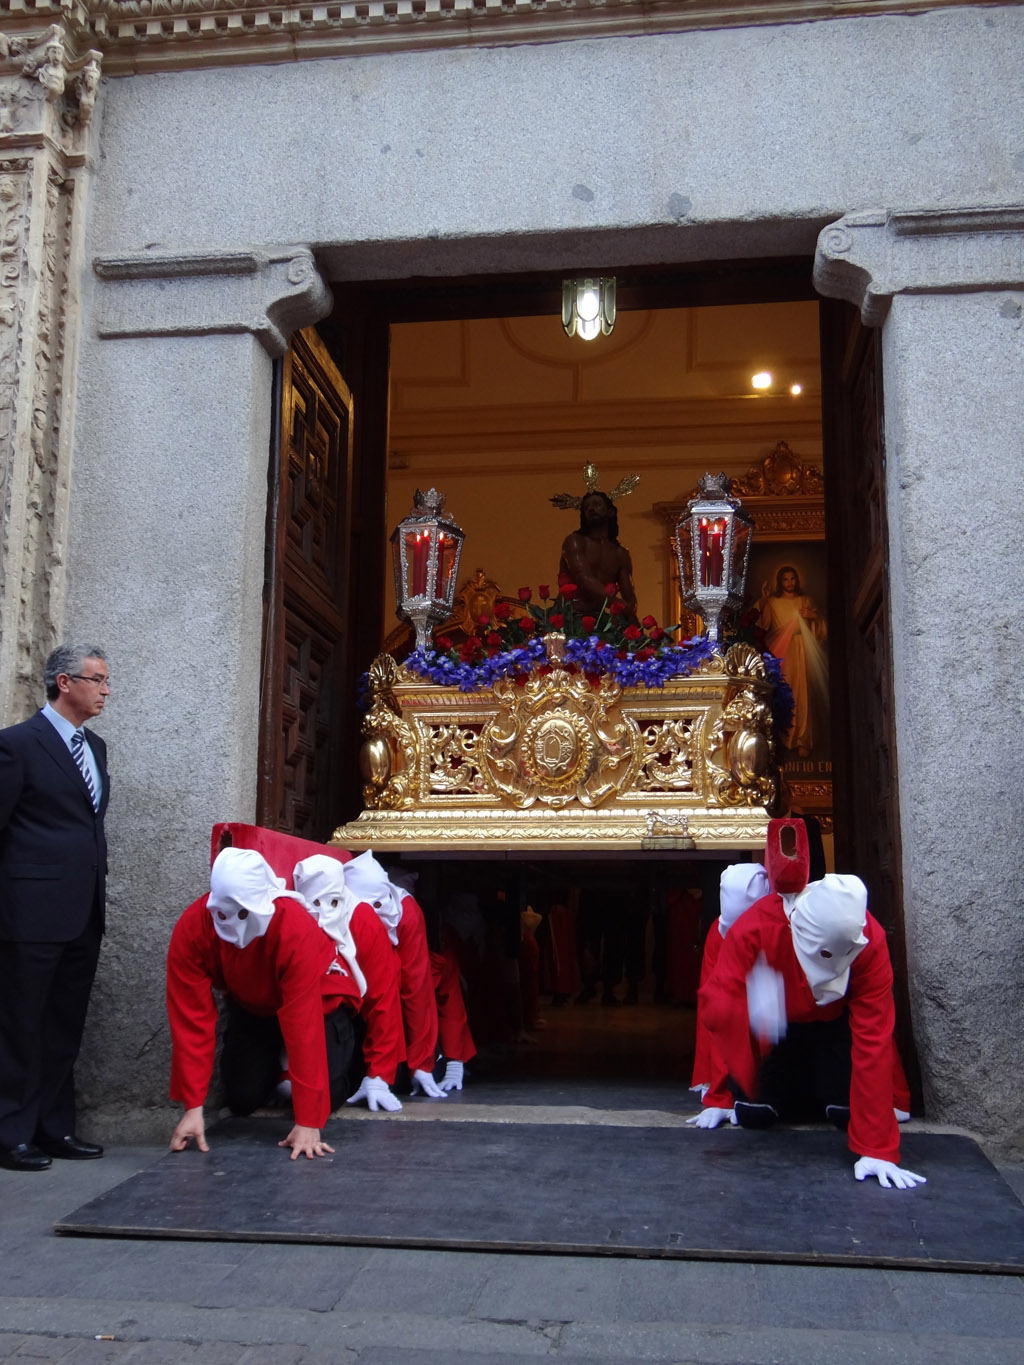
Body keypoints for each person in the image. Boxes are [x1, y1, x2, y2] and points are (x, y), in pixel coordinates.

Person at [696, 871, 928, 1190]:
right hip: (774, 1032)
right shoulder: (755, 928)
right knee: (754, 1112)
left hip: (834, 1027)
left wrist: (878, 1149)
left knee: (845, 1113)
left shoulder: (870, 939)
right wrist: (719, 1096)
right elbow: (716, 1007)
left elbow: (873, 1036)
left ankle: (823, 1089)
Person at [166, 847, 354, 1159]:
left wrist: (308, 1121)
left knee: (326, 1097)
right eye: (224, 914)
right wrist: (192, 1107)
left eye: (244, 913)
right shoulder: (192, 927)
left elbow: (303, 1023)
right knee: (242, 1098)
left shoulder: (293, 926)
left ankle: (343, 1058)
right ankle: (277, 1069)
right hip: (253, 1008)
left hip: (317, 1004)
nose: (234, 925)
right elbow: (191, 1019)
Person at [0, 643, 111, 1172]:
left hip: (83, 910)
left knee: (64, 1026)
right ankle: (10, 1134)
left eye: (107, 681)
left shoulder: (98, 749)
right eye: (97, 679)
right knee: (19, 1025)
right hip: (28, 913)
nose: (106, 690)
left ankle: (54, 1127)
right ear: (64, 683)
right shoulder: (17, 745)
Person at [344, 851, 473, 1096]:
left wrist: (429, 1062)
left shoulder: (407, 914)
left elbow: (418, 991)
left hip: (407, 1025)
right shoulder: (347, 915)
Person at [291, 853, 406, 1113]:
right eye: (316, 903)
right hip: (304, 1012)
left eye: (333, 902)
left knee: (333, 1093)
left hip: (351, 1017)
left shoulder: (362, 919)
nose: (325, 913)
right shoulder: (293, 920)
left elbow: (383, 996)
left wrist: (378, 1073)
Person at [757, 565, 828, 756]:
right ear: (780, 582)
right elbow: (762, 625)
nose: (789, 583)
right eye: (785, 579)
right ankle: (784, 738)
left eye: (792, 579)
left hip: (802, 648)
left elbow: (822, 630)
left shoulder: (805, 601)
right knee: (785, 691)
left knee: (803, 694)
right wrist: (763, 600)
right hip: (783, 651)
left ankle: (802, 739)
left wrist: (814, 617)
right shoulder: (772, 602)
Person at [559, 491, 638, 622]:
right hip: (570, 617)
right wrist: (620, 605)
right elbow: (584, 578)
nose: (591, 509)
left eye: (596, 504)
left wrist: (630, 615)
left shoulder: (620, 553)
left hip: (599, 619)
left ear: (610, 511)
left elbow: (628, 593)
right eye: (586, 508)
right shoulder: (575, 542)